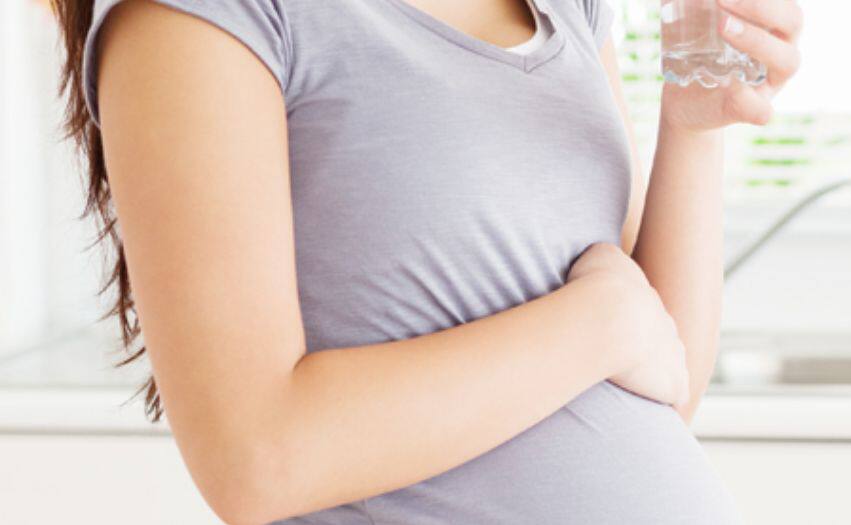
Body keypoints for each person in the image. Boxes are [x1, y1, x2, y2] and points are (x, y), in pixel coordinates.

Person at [50, 0, 802, 522]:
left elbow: (660, 380)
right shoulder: (205, 16)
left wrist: (693, 125)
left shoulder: (566, 8)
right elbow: (254, 460)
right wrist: (596, 323)